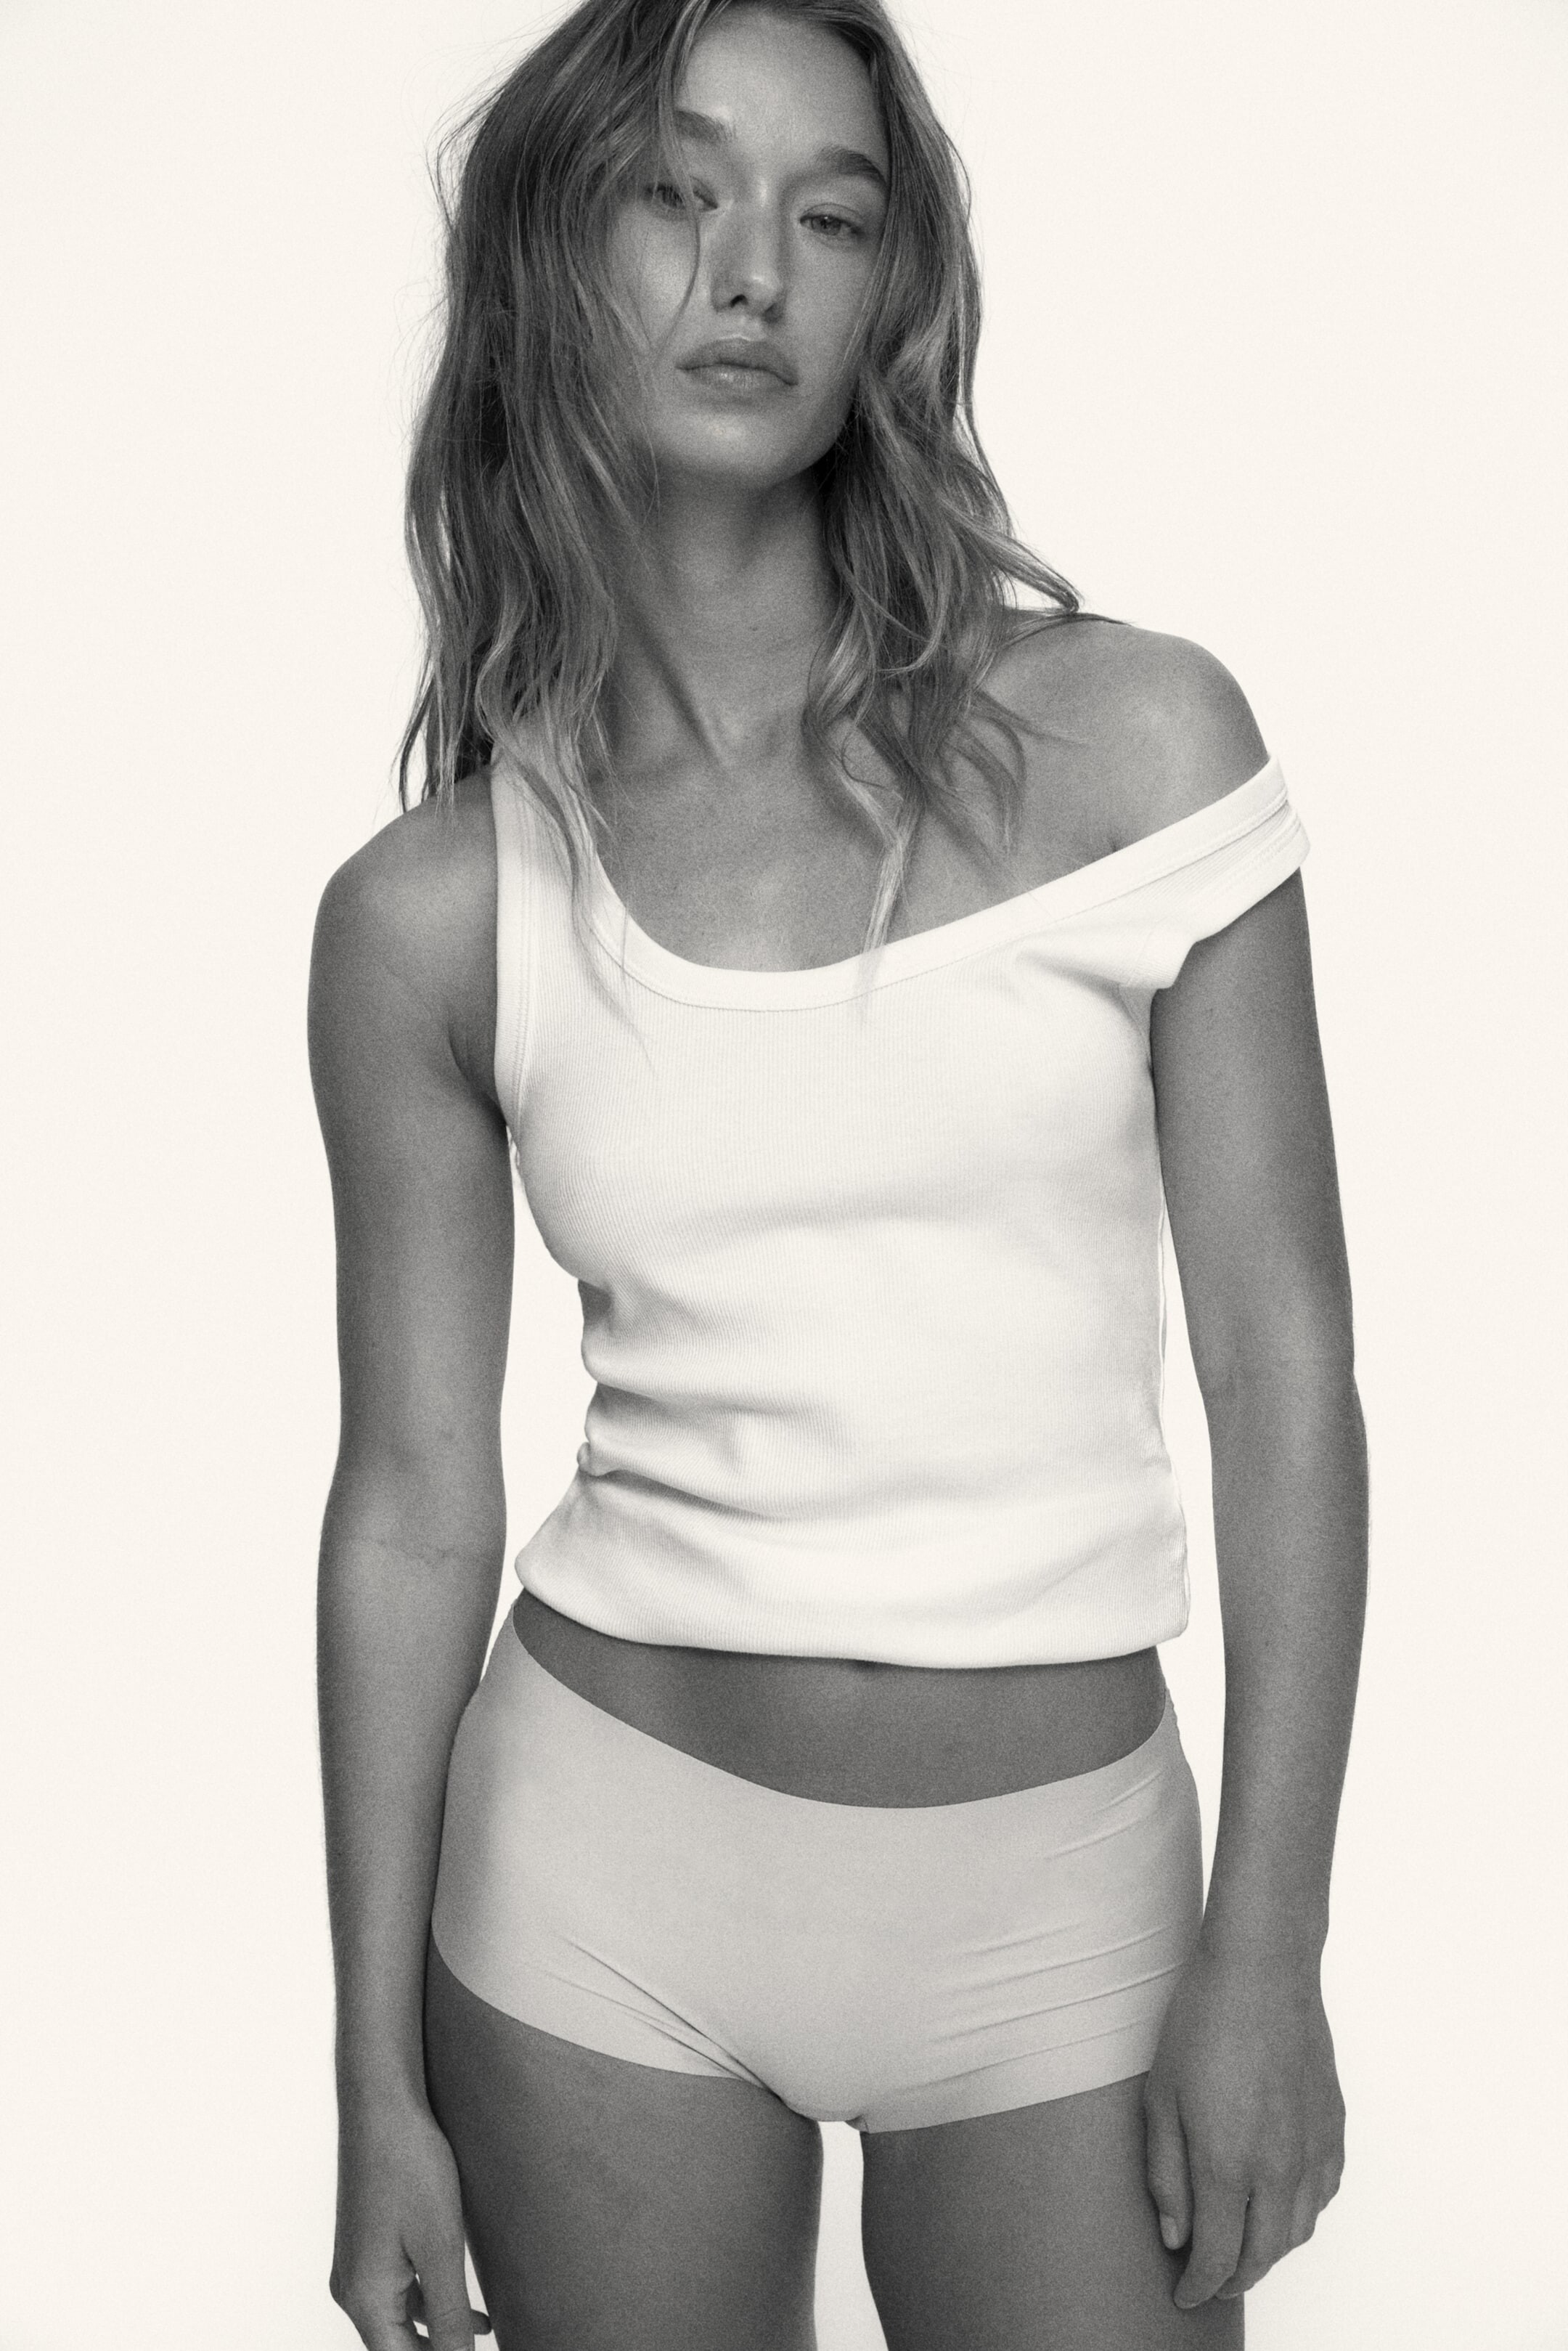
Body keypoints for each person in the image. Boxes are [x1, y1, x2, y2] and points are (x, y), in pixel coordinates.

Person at [308, 1, 1368, 2344]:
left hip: (1063, 1900)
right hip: (596, 1881)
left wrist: (1271, 1946)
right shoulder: (435, 917)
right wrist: (372, 2074)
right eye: (676, 192)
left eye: (833, 211)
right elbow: (411, 1500)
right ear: (551, 256)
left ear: (896, 289)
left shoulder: (1139, 748)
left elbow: (1283, 1373)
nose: (755, 269)